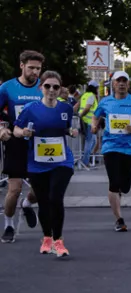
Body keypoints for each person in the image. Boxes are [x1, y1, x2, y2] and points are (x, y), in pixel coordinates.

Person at [13, 71, 77, 257]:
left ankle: (58, 241)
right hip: (37, 162)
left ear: (60, 89)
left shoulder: (66, 109)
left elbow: (65, 128)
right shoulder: (30, 108)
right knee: (43, 201)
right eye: (47, 86)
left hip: (62, 161)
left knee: (55, 198)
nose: (51, 90)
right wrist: (22, 132)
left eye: (55, 87)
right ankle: (47, 237)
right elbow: (16, 128)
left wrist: (71, 131)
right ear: (41, 87)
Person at [90, 70, 131, 231]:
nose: (122, 84)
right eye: (119, 81)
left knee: (125, 187)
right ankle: (119, 220)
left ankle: (120, 193)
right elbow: (96, 116)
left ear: (128, 84)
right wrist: (93, 126)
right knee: (114, 183)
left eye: (125, 81)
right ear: (114, 84)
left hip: (130, 149)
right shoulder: (105, 102)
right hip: (110, 146)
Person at [0, 50, 44, 243]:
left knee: (39, 190)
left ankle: (27, 205)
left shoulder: (43, 87)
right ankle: (9, 224)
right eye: (31, 67)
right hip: (16, 142)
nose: (35, 71)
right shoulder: (8, 88)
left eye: (38, 68)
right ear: (22, 65)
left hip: (38, 144)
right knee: (14, 189)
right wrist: (2, 130)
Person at [78, 81, 100, 168]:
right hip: (89, 122)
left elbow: (79, 106)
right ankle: (85, 162)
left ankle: (85, 160)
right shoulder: (91, 96)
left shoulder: (84, 95)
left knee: (92, 141)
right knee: (90, 142)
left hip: (85, 121)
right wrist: (80, 116)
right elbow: (87, 108)